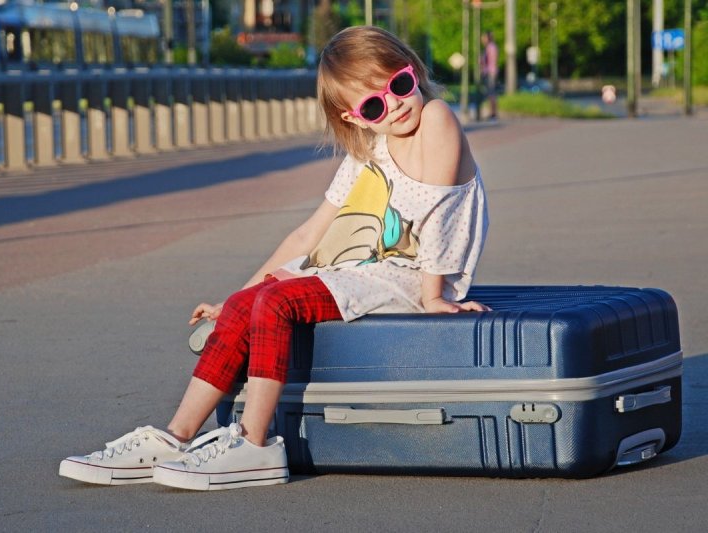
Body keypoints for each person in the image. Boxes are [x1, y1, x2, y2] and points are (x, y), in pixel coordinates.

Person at [59, 25, 490, 491]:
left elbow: (440, 208)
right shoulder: (370, 152)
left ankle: (254, 443)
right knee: (251, 303)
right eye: (374, 104)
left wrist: (433, 296)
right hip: (356, 271)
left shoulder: (437, 118)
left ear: (413, 70)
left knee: (278, 303)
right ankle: (175, 437)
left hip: (407, 278)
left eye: (400, 83)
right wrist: (237, 296)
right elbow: (310, 233)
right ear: (356, 118)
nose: (397, 102)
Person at [480, 31, 499, 119]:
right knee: (491, 93)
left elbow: (489, 61)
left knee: (491, 93)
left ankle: (493, 113)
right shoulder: (490, 47)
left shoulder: (490, 47)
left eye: (484, 38)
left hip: (490, 72)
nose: (482, 40)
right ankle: (492, 112)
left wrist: (481, 61)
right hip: (490, 72)